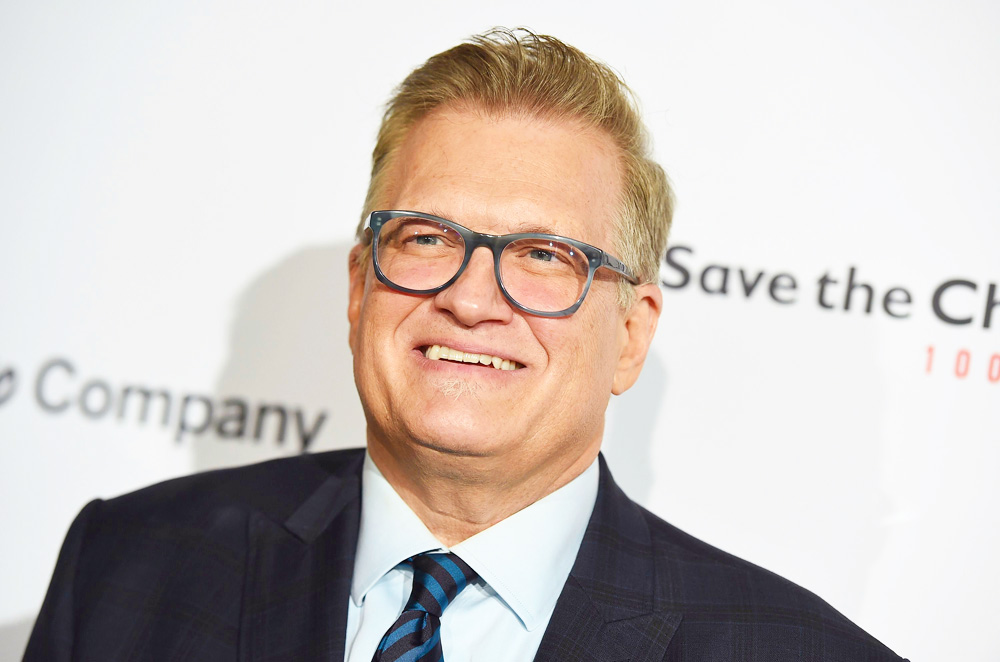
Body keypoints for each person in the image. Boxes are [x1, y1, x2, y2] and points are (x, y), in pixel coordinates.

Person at [25, 29, 907, 661]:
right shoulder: (130, 562)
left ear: (631, 335)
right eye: (426, 239)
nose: (470, 297)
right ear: (360, 285)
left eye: (543, 256)